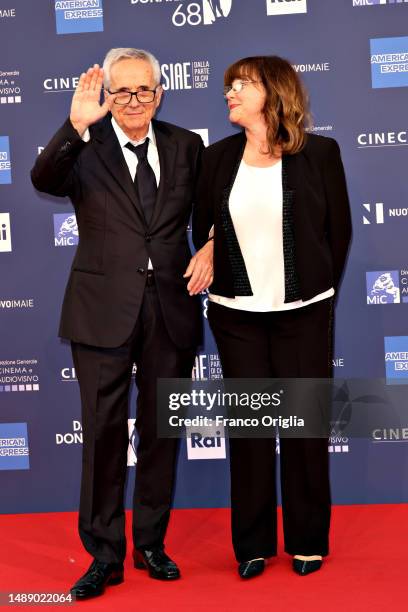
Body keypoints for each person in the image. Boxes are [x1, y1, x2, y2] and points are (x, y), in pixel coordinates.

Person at [31, 48, 204, 599]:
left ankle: (151, 542)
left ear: (160, 92)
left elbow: (215, 209)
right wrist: (75, 125)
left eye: (144, 91)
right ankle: (103, 554)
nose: (134, 102)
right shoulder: (85, 144)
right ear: (107, 96)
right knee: (103, 434)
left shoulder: (186, 145)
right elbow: (43, 176)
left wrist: (216, 245)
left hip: (169, 310)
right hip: (102, 308)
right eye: (122, 92)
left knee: (160, 431)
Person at [188, 55, 351, 579]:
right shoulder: (215, 159)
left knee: (305, 431)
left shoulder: (320, 153)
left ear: (274, 92)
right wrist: (214, 247)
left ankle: (308, 540)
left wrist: (314, 291)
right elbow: (203, 228)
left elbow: (337, 233)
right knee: (251, 433)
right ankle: (253, 544)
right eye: (227, 86)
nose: (230, 93)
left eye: (242, 85)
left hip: (304, 313)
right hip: (236, 316)